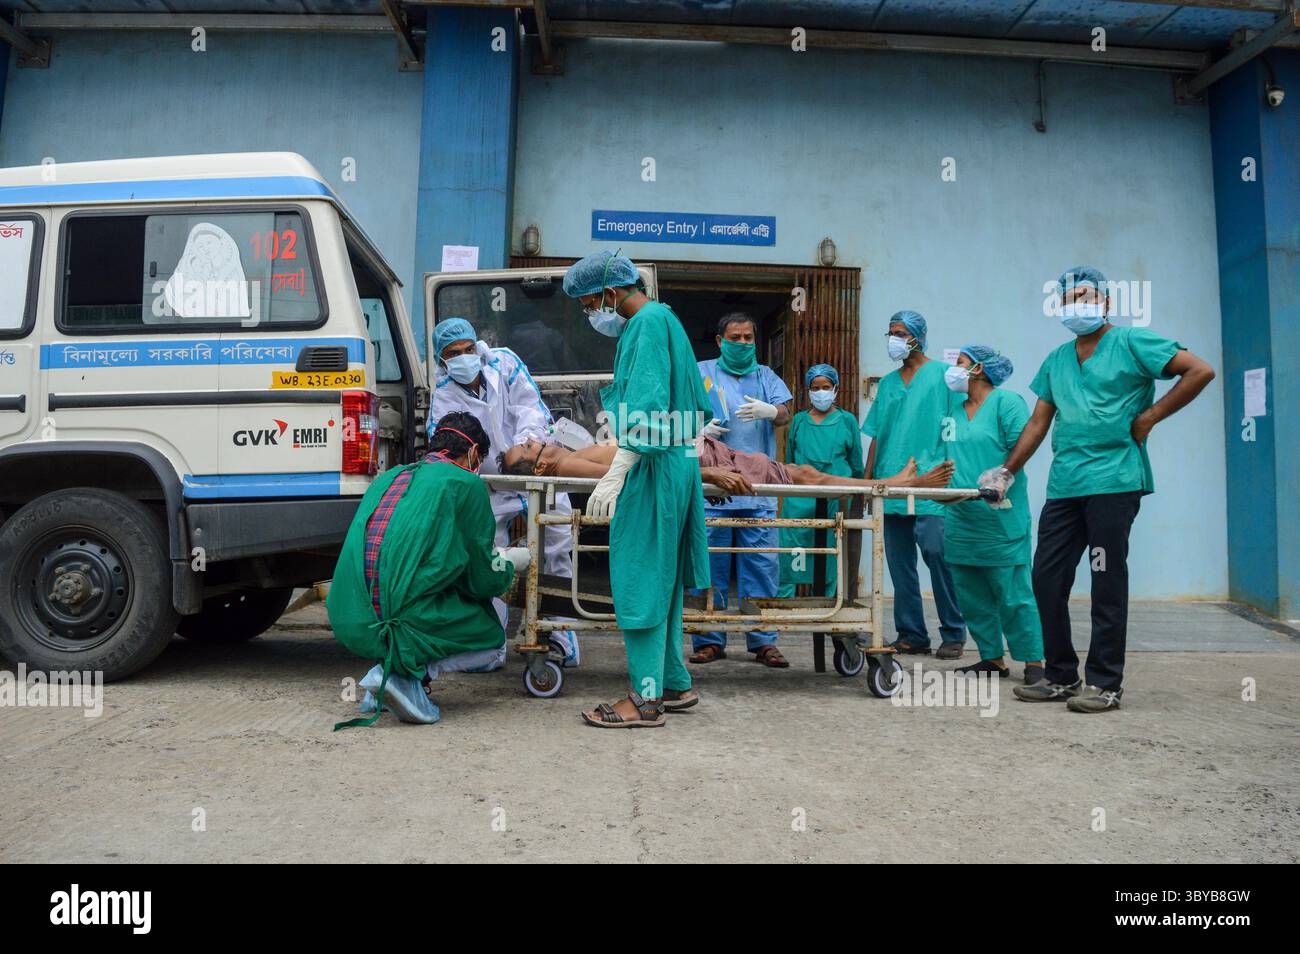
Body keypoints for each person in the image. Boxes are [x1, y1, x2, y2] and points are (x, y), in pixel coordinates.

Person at [983, 266, 1215, 713]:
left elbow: (1199, 371)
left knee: (1106, 579)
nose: (1078, 304)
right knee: (1046, 577)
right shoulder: (1056, 359)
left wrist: (1148, 418)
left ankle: (1105, 683)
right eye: (1069, 298)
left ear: (1107, 302)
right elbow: (1037, 422)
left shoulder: (1133, 343)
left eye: (1087, 296)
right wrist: (1006, 471)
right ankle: (1060, 675)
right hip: (1067, 483)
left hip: (1114, 480)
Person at [562, 251, 713, 729]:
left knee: (640, 577)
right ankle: (672, 682)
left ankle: (645, 701)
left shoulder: (645, 323)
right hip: (677, 463)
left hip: (653, 464)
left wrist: (620, 464)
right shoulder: (663, 319)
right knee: (662, 581)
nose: (590, 313)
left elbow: (647, 405)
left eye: (588, 302)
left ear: (609, 291)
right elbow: (688, 405)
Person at [328, 412, 530, 728]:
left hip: (352, 620)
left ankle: (381, 676)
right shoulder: (465, 483)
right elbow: (481, 579)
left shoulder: (388, 478)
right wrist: (508, 562)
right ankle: (406, 677)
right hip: (395, 621)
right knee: (491, 639)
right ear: (475, 453)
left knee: (406, 589)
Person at [428, 316, 580, 670]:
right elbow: (449, 447)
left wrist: (525, 448)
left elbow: (531, 407)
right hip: (490, 485)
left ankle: (560, 633)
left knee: (556, 547)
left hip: (535, 470)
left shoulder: (504, 362)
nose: (465, 358)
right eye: (454, 353)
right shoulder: (443, 396)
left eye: (469, 349)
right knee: (488, 559)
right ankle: (489, 643)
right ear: (442, 361)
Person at [691, 312, 795, 668]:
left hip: (757, 488)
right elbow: (678, 412)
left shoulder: (765, 376)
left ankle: (764, 640)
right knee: (708, 566)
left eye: (749, 337)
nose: (743, 343)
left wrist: (771, 411)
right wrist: (698, 424)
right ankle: (708, 638)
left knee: (762, 567)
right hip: (712, 486)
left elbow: (785, 414)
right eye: (735, 337)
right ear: (720, 341)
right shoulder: (701, 371)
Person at [862, 310, 966, 658]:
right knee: (898, 563)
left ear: (917, 336)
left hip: (933, 482)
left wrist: (957, 474)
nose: (893, 339)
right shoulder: (889, 384)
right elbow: (877, 434)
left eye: (900, 332)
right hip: (891, 483)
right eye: (890, 332)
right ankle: (911, 633)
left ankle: (953, 632)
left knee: (938, 554)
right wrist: (868, 482)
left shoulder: (944, 376)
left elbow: (957, 426)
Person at [940, 346, 1045, 684]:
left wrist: (1003, 476)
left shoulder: (1007, 403)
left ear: (979, 368)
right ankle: (992, 658)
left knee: (1012, 593)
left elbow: (1024, 444)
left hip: (1000, 516)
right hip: (960, 516)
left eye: (959, 363)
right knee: (971, 593)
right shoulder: (952, 413)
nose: (953, 370)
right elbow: (941, 453)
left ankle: (1033, 661)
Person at [499, 433, 951, 495]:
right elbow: (632, 469)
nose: (531, 440)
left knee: (798, 471)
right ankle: (893, 485)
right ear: (537, 469)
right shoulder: (570, 468)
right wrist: (707, 472)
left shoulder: (569, 449)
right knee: (803, 475)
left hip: (694, 450)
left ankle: (892, 482)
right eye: (525, 449)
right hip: (695, 461)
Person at [778, 364, 865, 598]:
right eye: (815, 388)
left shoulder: (847, 421)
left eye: (826, 387)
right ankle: (784, 604)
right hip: (799, 499)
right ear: (808, 390)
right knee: (792, 549)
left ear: (835, 388)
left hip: (835, 498)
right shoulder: (799, 421)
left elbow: (856, 462)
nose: (821, 392)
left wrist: (858, 491)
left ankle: (828, 604)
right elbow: (791, 461)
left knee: (830, 553)